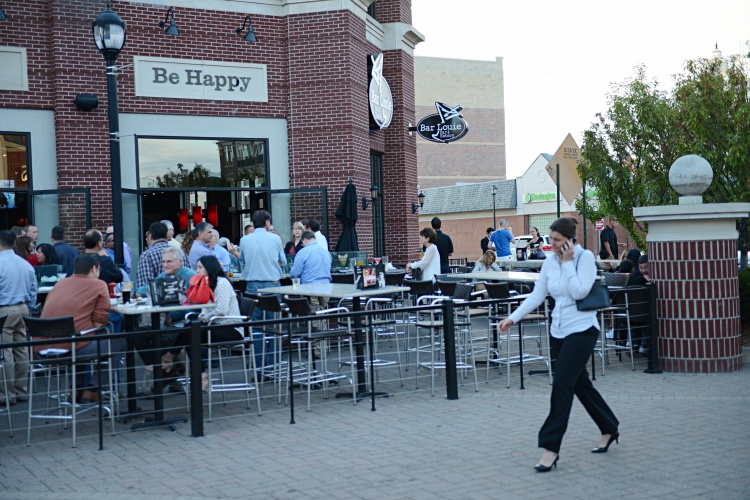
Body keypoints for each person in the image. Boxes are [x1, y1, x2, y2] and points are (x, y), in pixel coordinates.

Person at [498, 218, 619, 472]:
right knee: (580, 385)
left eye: (556, 240)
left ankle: (550, 449)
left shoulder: (583, 258)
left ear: (570, 239)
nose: (551, 245)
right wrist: (512, 317)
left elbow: (579, 292)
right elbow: (537, 295)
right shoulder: (550, 262)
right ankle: (609, 427)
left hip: (582, 331)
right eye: (549, 239)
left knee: (562, 385)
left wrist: (566, 265)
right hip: (558, 332)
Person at [40, 253, 127, 403]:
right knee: (120, 342)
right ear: (94, 269)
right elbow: (100, 323)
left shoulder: (60, 284)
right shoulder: (99, 284)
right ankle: (93, 389)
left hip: (41, 349)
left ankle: (76, 389)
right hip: (70, 348)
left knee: (80, 339)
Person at [164, 255, 243, 391]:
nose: (197, 270)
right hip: (215, 326)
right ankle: (201, 375)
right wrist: (202, 317)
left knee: (191, 332)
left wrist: (203, 319)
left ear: (209, 268)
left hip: (230, 328)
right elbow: (205, 309)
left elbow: (221, 311)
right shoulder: (207, 283)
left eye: (200, 267)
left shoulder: (221, 282)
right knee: (190, 333)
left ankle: (170, 356)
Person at [0, 230, 36, 405]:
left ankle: (7, 393)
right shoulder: (25, 264)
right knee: (21, 349)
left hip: (4, 310)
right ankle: (22, 390)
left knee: (5, 352)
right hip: (22, 308)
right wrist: (27, 308)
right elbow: (33, 291)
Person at [239, 210, 286, 320]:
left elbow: (242, 261)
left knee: (255, 317)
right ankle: (272, 337)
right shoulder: (276, 238)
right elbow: (283, 261)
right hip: (272, 281)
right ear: (267, 222)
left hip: (252, 281)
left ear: (252, 223)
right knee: (272, 318)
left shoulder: (244, 240)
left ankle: (257, 337)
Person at [136, 222, 170, 290]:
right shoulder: (180, 253)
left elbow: (145, 286)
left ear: (150, 236)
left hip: (156, 299)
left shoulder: (147, 255)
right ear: (166, 236)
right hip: (181, 298)